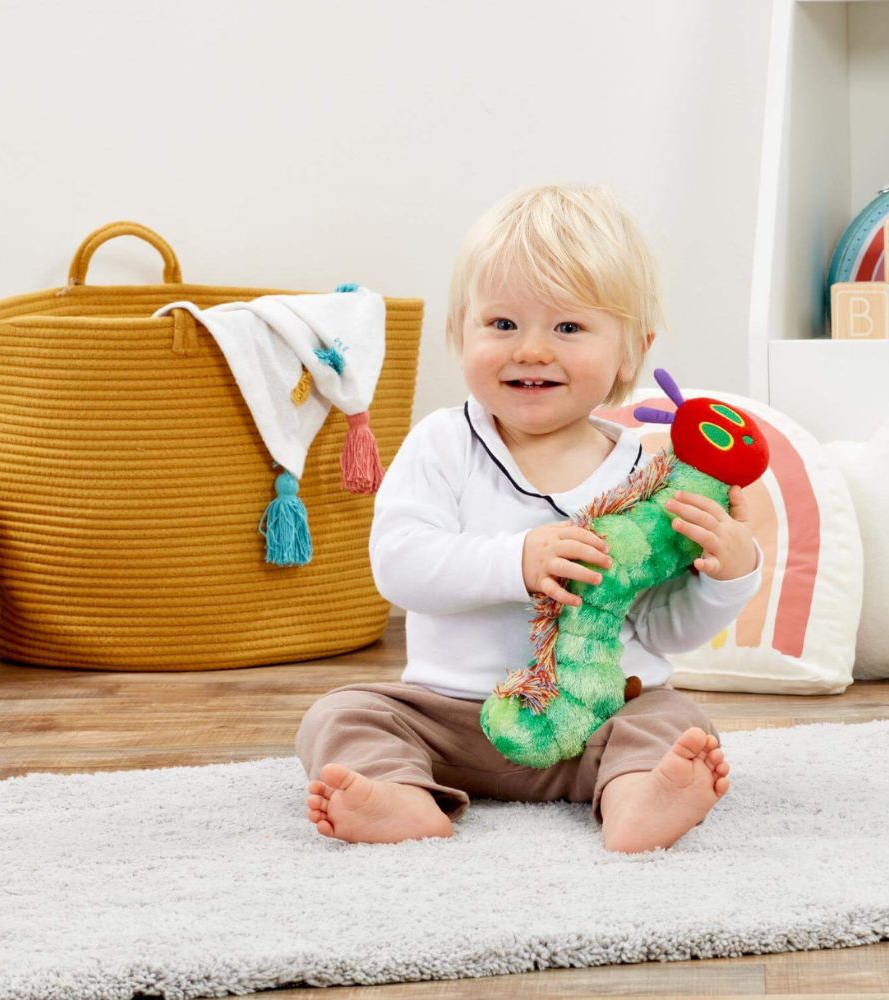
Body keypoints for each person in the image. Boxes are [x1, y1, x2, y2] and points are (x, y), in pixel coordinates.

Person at [296, 183, 763, 853]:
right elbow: (399, 563)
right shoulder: (443, 442)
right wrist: (517, 561)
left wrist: (727, 575)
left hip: (599, 719)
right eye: (502, 324)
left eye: (569, 328)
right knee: (342, 715)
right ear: (461, 333)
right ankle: (400, 797)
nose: (532, 350)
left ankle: (637, 799)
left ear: (631, 351)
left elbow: (660, 628)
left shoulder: (646, 477)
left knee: (671, 716)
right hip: (451, 720)